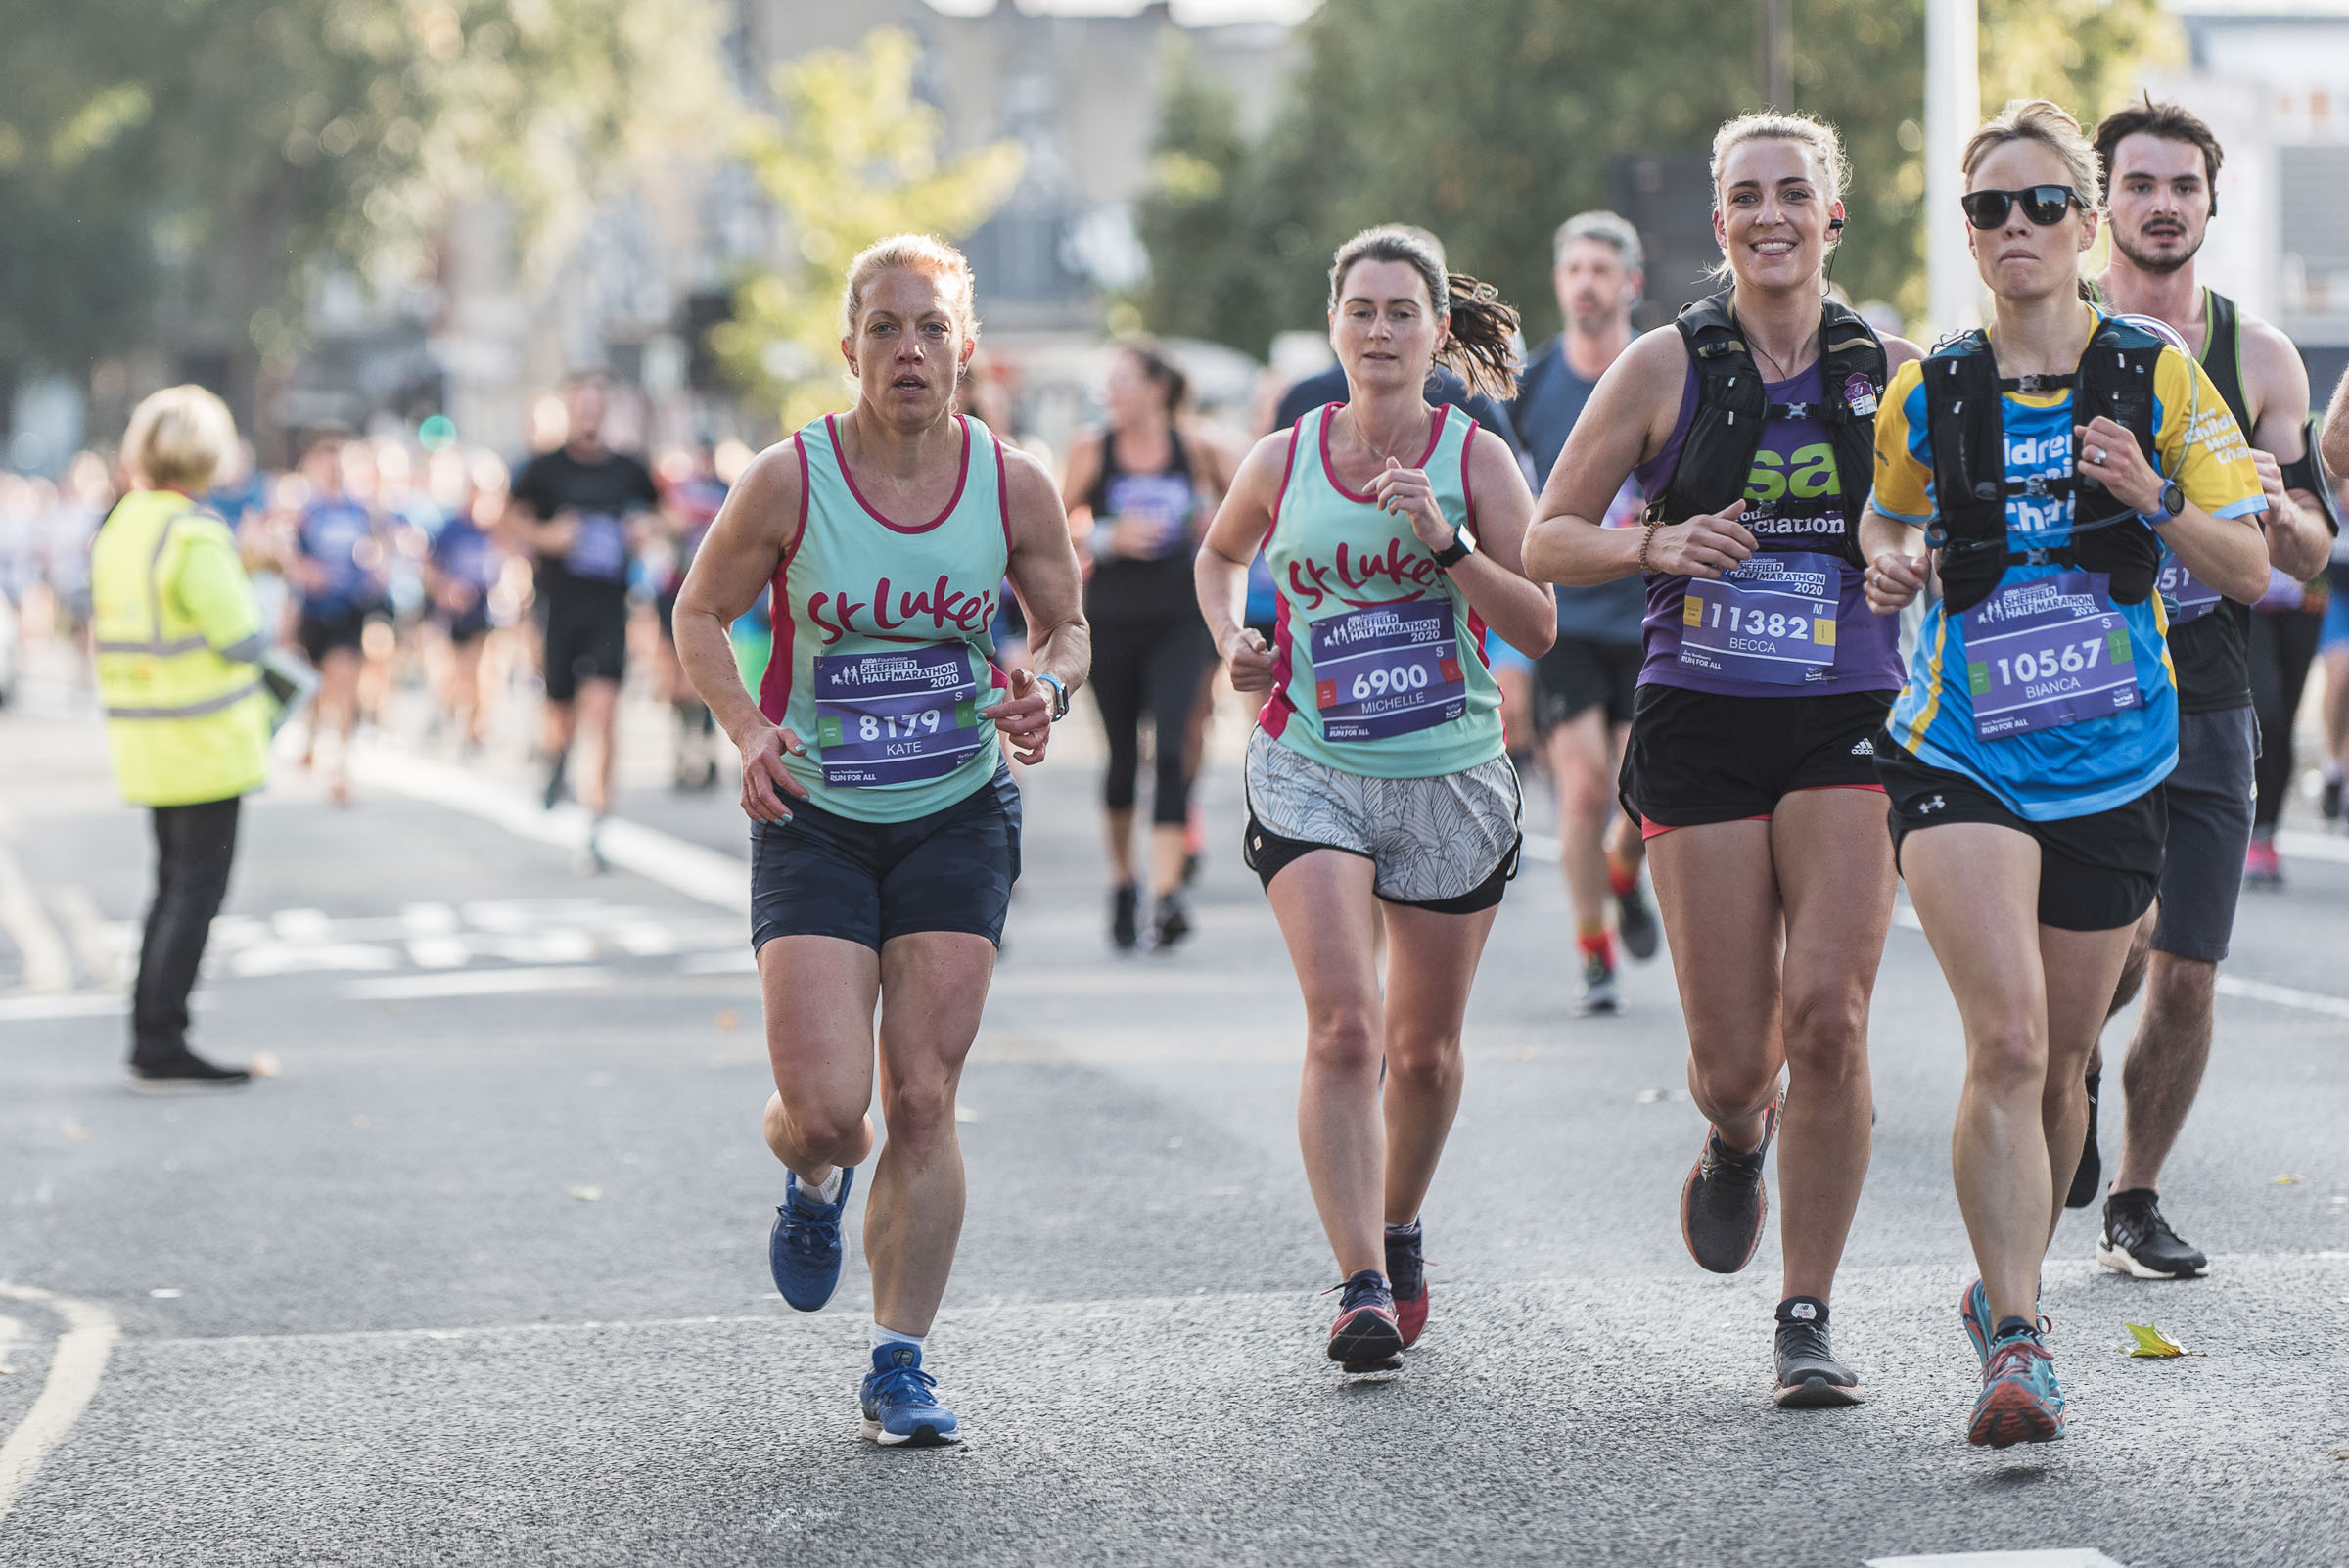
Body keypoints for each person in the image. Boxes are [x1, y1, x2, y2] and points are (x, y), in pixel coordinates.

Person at [1861, 99, 2266, 1447]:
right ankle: (2021, 1343)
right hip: (1959, 747)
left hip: (2114, 755)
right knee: (2012, 1037)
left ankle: (2005, 1290)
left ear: (2087, 226)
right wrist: (1890, 562)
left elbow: (2250, 564)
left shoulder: (2157, 373)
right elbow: (1885, 516)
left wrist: (2154, 494)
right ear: (1970, 233)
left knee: (2060, 1067)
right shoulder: (1931, 388)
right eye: (1991, 208)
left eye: (2044, 204)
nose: (2017, 227)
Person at [1523, 113, 1917, 1408]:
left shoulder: (1895, 372)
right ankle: (1737, 1135)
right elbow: (1547, 537)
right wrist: (1655, 543)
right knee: (1736, 1060)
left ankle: (1806, 1313)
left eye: (1793, 192)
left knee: (1832, 1018)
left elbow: (1963, 533)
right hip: (1700, 714)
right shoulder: (1660, 366)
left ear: (1831, 216)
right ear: (1719, 221)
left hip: (1845, 708)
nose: (1770, 215)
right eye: (1747, 195)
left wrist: (1915, 561)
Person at [672, 234, 1088, 1448]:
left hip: (957, 808)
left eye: (932, 328)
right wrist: (747, 727)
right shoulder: (786, 481)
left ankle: (899, 1359)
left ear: (968, 348)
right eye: (886, 328)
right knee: (827, 1110)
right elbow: (699, 611)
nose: (910, 350)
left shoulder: (1013, 485)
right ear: (849, 348)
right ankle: (811, 1174)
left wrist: (1049, 691)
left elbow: (1066, 628)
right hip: (814, 818)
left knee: (921, 1093)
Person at [1197, 225, 1555, 1371]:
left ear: (1438, 332)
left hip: (1449, 775)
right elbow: (1219, 556)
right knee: (1345, 1026)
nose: (1381, 330)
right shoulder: (1284, 456)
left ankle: (1397, 1225)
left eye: (1404, 312)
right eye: (1363, 310)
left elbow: (1540, 621)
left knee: (1426, 1051)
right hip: (1310, 766)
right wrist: (1235, 638)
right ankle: (1358, 1283)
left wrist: (1446, 545)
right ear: (1335, 324)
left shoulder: (1476, 459)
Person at [2065, 99, 2338, 1278]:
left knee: (2187, 969)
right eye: (2140, 184)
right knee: (2115, 942)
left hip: (2210, 688)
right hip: (2077, 684)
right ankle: (2073, 1060)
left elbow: (2311, 552)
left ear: (2212, 203)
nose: (2164, 204)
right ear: (2102, 206)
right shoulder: (2054, 335)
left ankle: (2134, 1198)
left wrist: (2280, 510)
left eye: (2184, 185)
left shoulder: (2258, 354)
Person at [91, 387, 273, 1090]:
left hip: (147, 740)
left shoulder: (124, 524)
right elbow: (240, 638)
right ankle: (162, 1040)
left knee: (169, 890)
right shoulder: (193, 534)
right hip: (203, 745)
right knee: (194, 895)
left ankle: (151, 1035)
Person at [1510, 210, 1660, 1014]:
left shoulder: (1662, 369)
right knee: (1580, 789)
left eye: (1602, 270)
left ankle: (1624, 870)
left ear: (1631, 283)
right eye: (1574, 270)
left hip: (1652, 613)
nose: (1587, 284)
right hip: (1563, 619)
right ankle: (1595, 953)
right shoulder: (1532, 386)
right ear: (1559, 282)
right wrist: (1505, 652)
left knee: (1643, 790)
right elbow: (1507, 514)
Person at [1061, 338, 1237, 949]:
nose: (1110, 392)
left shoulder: (1198, 447)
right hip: (1110, 618)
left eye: (1123, 380)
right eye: (1108, 382)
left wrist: (1212, 523)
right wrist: (1105, 538)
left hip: (1180, 618)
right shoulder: (1092, 449)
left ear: (1157, 389)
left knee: (1170, 749)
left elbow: (1252, 505)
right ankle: (1124, 882)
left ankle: (1166, 896)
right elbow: (1051, 530)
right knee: (1119, 762)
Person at [505, 371, 660, 863]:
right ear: (570, 409)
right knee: (561, 713)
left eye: (597, 403)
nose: (589, 412)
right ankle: (556, 758)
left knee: (605, 712)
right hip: (558, 605)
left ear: (604, 409)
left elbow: (666, 515)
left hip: (609, 606)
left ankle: (597, 821)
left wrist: (644, 528)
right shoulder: (543, 469)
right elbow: (508, 519)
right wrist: (548, 536)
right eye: (581, 404)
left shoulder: (628, 469)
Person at [288, 436, 387, 806]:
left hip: (348, 607)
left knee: (343, 683)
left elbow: (378, 550)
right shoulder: (306, 511)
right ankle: (312, 735)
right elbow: (290, 556)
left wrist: (375, 570)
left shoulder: (360, 510)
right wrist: (305, 571)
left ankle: (342, 768)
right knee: (315, 686)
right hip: (315, 610)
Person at [654, 440, 731, 789]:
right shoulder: (678, 491)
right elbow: (667, 526)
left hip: (712, 590)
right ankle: (683, 756)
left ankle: (703, 755)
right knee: (674, 681)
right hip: (673, 590)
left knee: (701, 676)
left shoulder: (726, 490)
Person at [424, 449, 508, 754]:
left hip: (484, 609)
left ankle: (476, 727)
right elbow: (430, 567)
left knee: (483, 671)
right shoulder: (451, 528)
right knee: (451, 671)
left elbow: (513, 564)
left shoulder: (498, 528)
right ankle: (449, 710)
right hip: (452, 611)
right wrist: (447, 590)